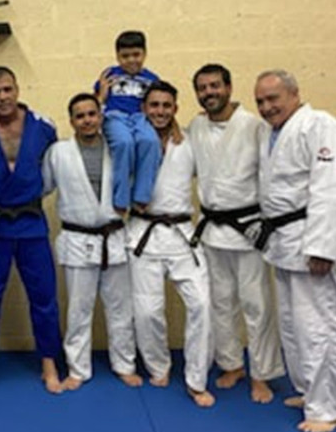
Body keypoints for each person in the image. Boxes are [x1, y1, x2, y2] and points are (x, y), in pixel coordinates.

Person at [255, 70, 336, 432]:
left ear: (294, 94)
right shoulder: (273, 134)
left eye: (273, 98)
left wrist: (323, 248)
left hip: (312, 242)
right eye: (260, 101)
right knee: (293, 325)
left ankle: (329, 409)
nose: (266, 107)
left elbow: (334, 188)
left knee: (319, 326)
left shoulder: (321, 126)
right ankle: (308, 391)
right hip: (285, 242)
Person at [0, 66, 63, 395]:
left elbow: (58, 164)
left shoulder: (43, 126)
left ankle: (49, 362)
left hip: (31, 221)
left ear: (17, 89)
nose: (2, 97)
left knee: (44, 297)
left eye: (7, 89)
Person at [187, 64, 284, 403]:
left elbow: (270, 175)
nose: (209, 93)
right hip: (212, 230)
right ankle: (231, 364)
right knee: (221, 302)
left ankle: (261, 373)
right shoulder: (196, 126)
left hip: (247, 229)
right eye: (202, 88)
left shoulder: (254, 126)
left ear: (229, 87)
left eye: (215, 86)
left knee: (257, 305)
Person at [42, 93, 141, 391]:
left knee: (121, 308)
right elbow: (42, 187)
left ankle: (124, 364)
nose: (87, 120)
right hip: (77, 238)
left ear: (100, 116)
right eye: (80, 116)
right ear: (71, 121)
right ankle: (77, 369)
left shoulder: (119, 147)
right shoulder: (58, 152)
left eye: (91, 114)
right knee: (78, 310)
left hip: (114, 236)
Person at [127, 81, 214, 407]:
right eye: (154, 105)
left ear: (176, 108)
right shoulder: (132, 142)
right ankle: (158, 366)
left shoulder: (190, 142)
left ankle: (196, 379)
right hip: (143, 233)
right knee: (147, 311)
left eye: (166, 105)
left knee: (202, 304)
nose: (160, 111)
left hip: (181, 233)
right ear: (144, 108)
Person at [94, 30, 162, 212]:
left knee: (150, 141)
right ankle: (121, 199)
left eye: (136, 55)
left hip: (140, 117)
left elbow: (161, 102)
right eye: (125, 56)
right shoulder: (110, 75)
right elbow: (94, 101)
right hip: (115, 116)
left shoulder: (152, 79)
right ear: (117, 56)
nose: (131, 60)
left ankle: (142, 196)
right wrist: (102, 94)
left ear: (145, 54)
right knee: (124, 143)